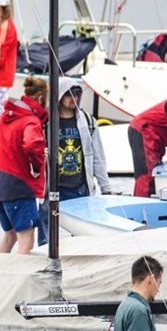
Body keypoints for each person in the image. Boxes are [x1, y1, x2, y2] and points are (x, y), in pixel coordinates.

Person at [38, 77, 112, 246]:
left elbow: (98, 156)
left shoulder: (89, 122)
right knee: (45, 233)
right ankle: (44, 257)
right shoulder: (46, 122)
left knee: (82, 235)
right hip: (52, 187)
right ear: (59, 96)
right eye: (69, 94)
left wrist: (106, 188)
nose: (74, 98)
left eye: (77, 94)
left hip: (79, 187)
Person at [0, 76, 48, 255]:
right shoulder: (31, 120)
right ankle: (20, 273)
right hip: (18, 186)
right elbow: (32, 144)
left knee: (9, 236)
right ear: (41, 98)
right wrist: (37, 167)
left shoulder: (5, 116)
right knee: (26, 239)